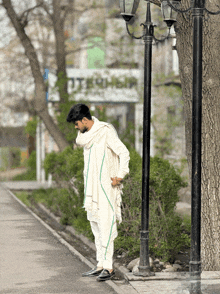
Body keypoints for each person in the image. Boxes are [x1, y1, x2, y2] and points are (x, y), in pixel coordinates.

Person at [66, 103, 130, 282]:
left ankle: (109, 267)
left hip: (106, 187)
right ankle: (100, 264)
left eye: (77, 123)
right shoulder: (85, 137)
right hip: (92, 187)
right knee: (95, 225)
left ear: (85, 120)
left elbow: (124, 153)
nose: (76, 127)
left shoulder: (105, 131)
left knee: (106, 225)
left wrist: (120, 175)